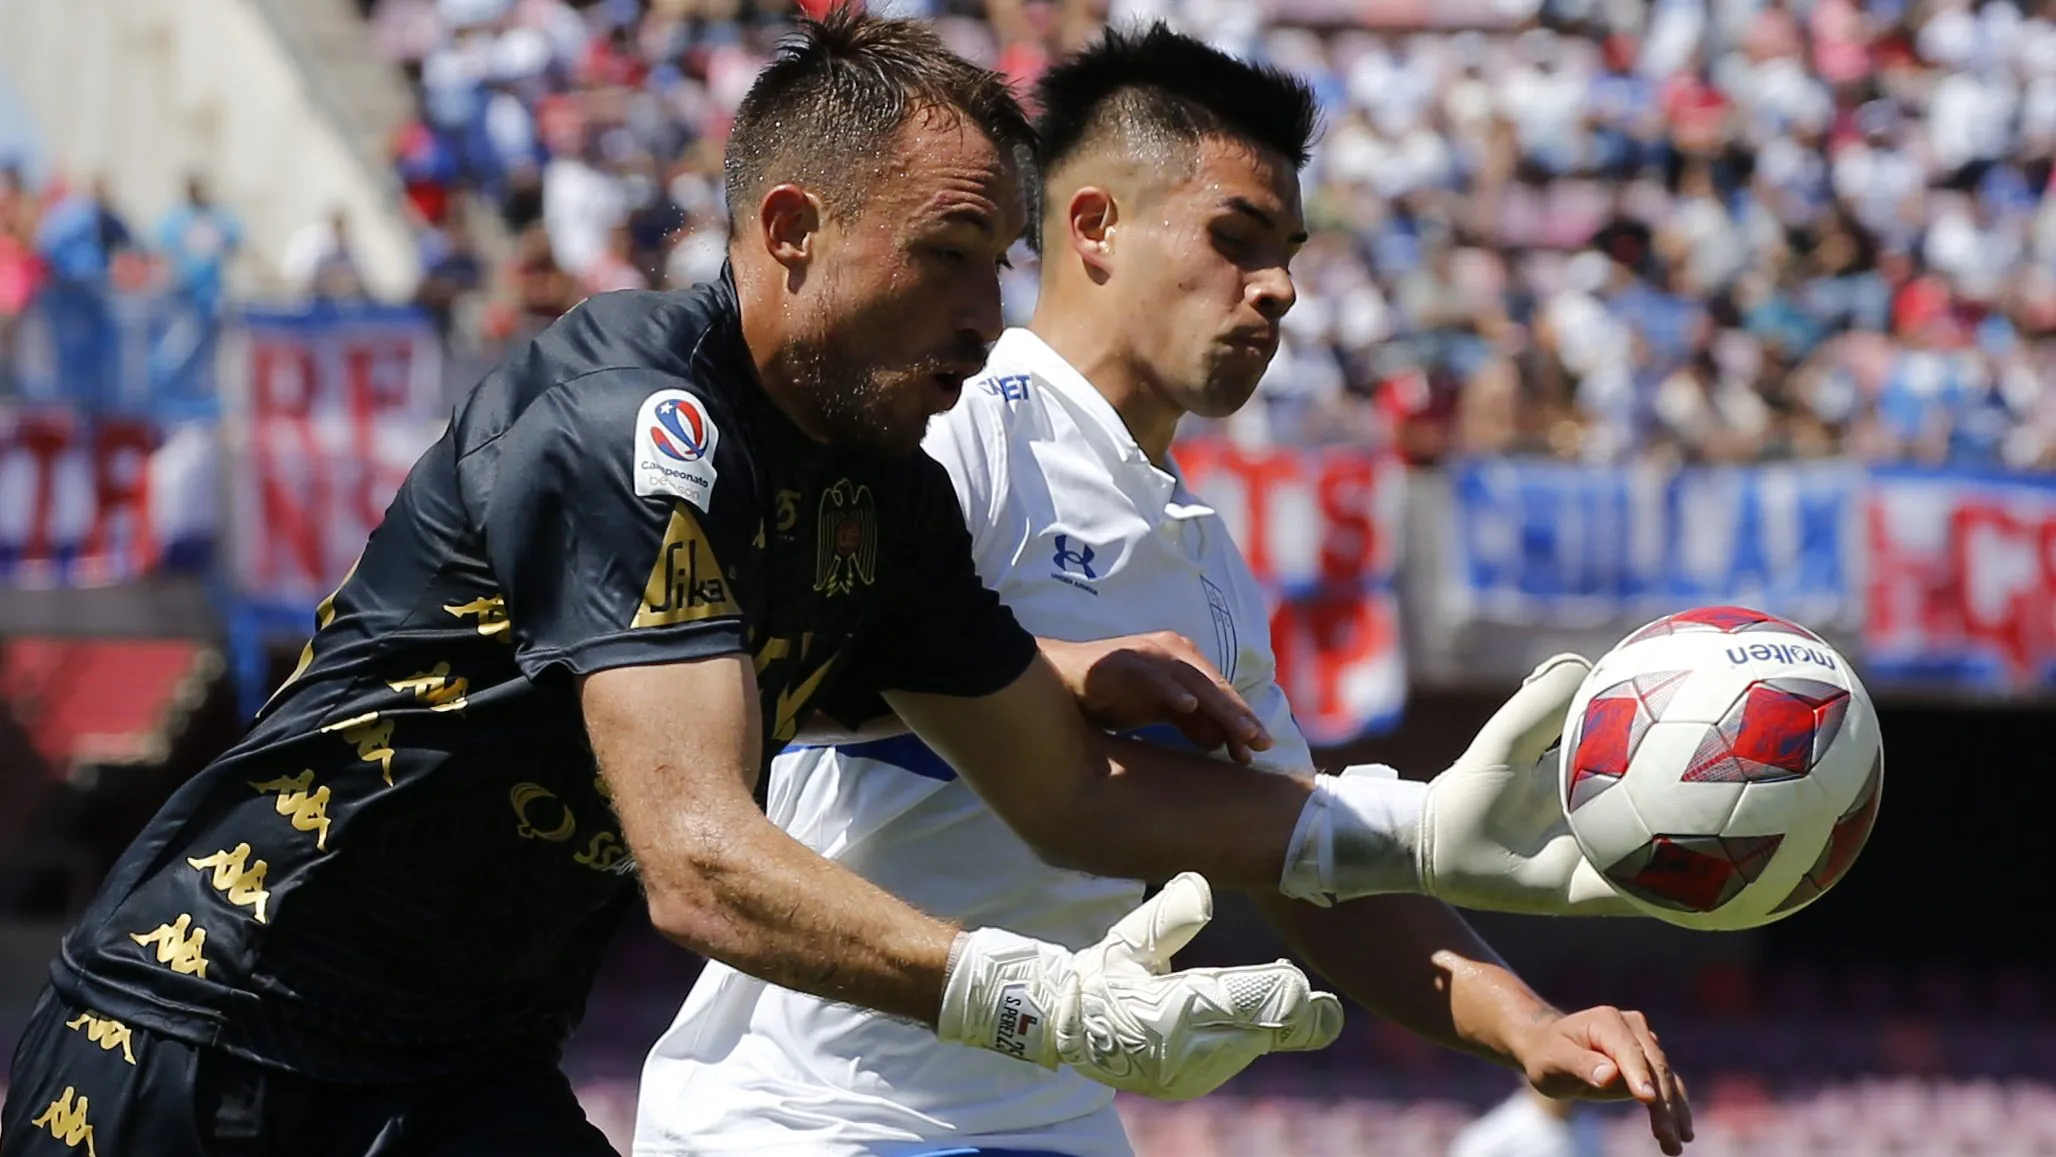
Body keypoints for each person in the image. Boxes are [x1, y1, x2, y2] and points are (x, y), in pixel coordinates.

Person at [0, 15, 1334, 1156]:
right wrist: (1041, 1000)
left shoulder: (883, 490)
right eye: (948, 252)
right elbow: (697, 862)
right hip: (203, 1040)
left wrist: (1414, 830)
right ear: (793, 230)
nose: (988, 316)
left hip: (462, 1076)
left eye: (1000, 265)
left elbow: (1063, 786)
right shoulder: (634, 421)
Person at [633, 25, 1693, 1157]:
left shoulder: (1205, 562)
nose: (1279, 288)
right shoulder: (960, 431)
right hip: (817, 1117)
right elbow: (811, 655)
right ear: (1095, 225)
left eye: (1288, 252)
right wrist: (1063, 674)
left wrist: (1526, 1023)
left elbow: (1303, 859)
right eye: (1235, 239)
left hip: (1053, 1117)